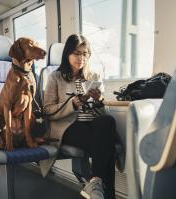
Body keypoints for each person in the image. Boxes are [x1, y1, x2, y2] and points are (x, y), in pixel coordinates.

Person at [44, 34, 117, 199]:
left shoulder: (94, 77)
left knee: (108, 121)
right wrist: (73, 104)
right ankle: (106, 193)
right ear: (67, 54)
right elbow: (48, 110)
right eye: (77, 53)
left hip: (91, 126)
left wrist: (99, 101)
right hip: (68, 127)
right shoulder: (55, 77)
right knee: (108, 147)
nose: (81, 58)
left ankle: (95, 182)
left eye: (85, 54)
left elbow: (101, 112)